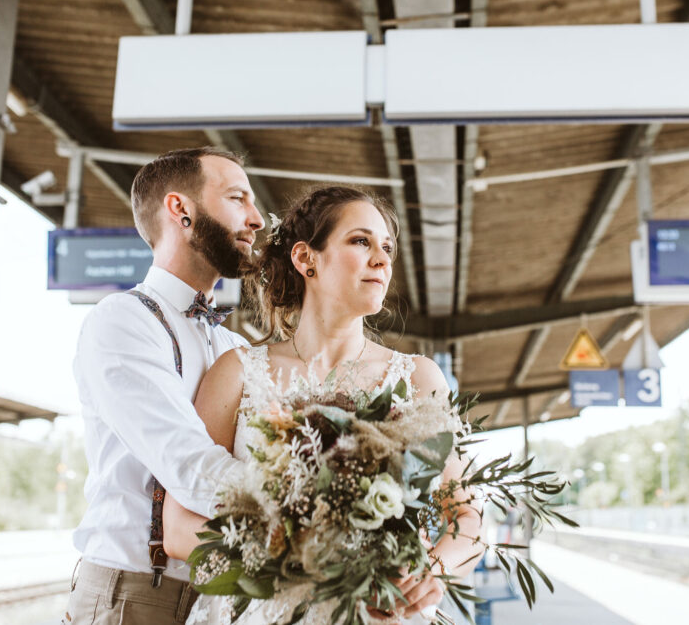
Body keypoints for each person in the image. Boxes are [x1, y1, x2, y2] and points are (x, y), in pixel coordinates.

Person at [162, 186, 482, 624]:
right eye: (360, 241)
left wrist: (434, 570)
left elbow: (464, 515)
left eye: (387, 247)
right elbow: (178, 527)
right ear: (305, 258)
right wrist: (296, 560)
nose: (383, 260)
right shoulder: (235, 373)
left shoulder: (418, 379)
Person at [64, 147, 264, 624]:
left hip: (223, 597)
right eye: (238, 198)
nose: (256, 220)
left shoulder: (233, 343)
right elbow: (190, 465)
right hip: (134, 592)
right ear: (181, 210)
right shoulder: (123, 320)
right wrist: (309, 514)